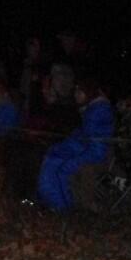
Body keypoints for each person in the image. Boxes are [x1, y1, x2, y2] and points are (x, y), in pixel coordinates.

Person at [37, 77, 115, 211]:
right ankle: (54, 204)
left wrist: (73, 162)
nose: (76, 95)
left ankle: (62, 207)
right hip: (84, 150)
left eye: (80, 92)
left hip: (96, 155)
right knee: (52, 159)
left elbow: (97, 148)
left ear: (89, 93)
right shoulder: (89, 110)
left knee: (59, 166)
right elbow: (81, 137)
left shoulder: (98, 112)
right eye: (76, 91)